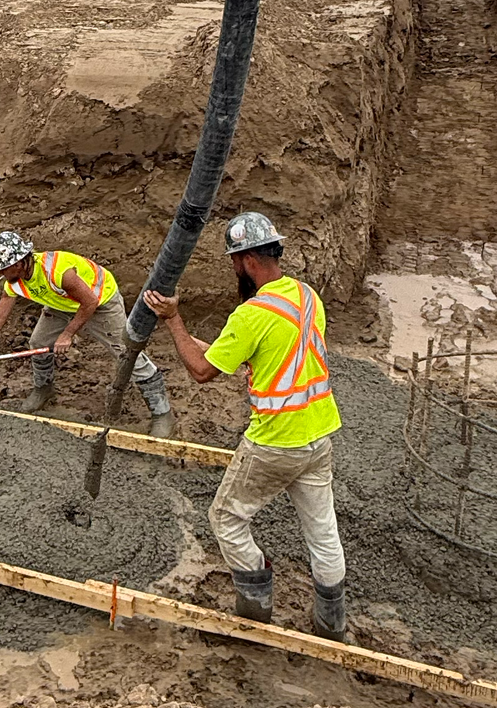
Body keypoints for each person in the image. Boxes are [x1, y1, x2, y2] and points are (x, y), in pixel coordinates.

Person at [142, 209, 347, 639]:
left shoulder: (252, 314)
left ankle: (255, 609)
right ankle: (331, 623)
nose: (233, 268)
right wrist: (188, 337)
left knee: (227, 519)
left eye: (234, 260)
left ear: (246, 259)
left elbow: (201, 371)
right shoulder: (307, 296)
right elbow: (231, 355)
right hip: (319, 434)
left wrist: (173, 320)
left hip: (275, 440)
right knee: (323, 531)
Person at [0, 230, 175, 438]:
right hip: (61, 302)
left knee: (126, 353)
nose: (0, 274)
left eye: (3, 268)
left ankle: (161, 411)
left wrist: (68, 334)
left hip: (100, 299)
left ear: (19, 263)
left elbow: (89, 302)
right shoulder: (14, 281)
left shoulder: (58, 271)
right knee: (39, 342)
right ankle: (44, 389)